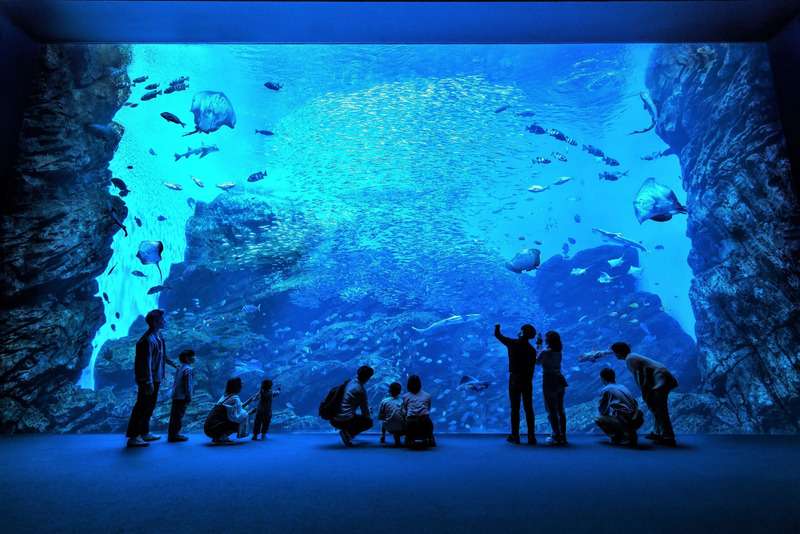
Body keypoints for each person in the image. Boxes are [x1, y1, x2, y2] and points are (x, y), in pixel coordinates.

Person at [125, 309, 179, 448]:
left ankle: (144, 432)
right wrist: (148, 382)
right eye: (162, 320)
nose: (164, 321)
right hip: (147, 379)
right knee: (141, 406)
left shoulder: (159, 336)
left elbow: (161, 355)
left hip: (156, 378)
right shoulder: (146, 341)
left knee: (150, 406)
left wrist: (173, 363)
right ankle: (133, 436)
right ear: (155, 322)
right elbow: (146, 363)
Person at [610, 342, 678, 446]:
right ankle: (657, 432)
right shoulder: (631, 357)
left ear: (619, 352)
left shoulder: (630, 359)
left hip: (661, 380)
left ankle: (668, 437)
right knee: (655, 408)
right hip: (661, 378)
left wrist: (646, 395)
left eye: (615, 353)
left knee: (660, 410)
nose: (615, 355)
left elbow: (641, 379)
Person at [494, 323, 537, 444]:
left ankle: (515, 435)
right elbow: (532, 368)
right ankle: (531, 436)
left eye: (521, 330)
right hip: (527, 380)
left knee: (515, 408)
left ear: (522, 333)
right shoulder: (531, 350)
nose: (518, 331)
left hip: (515, 379)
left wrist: (497, 326)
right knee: (529, 408)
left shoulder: (513, 343)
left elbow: (497, 335)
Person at [594, 368, 643, 445]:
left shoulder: (607, 389)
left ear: (603, 378)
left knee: (597, 417)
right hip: (638, 419)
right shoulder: (622, 386)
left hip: (627, 419)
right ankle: (630, 432)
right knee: (616, 413)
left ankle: (620, 436)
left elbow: (603, 410)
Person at [537, 331, 568, 445]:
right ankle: (563, 436)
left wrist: (539, 346)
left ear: (548, 340)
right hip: (559, 380)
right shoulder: (559, 352)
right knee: (561, 410)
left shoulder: (546, 352)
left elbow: (537, 362)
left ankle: (555, 435)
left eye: (546, 338)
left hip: (549, 381)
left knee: (551, 409)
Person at [331, 365, 374, 446]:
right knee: (369, 422)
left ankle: (348, 433)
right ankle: (347, 433)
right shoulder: (361, 390)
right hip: (343, 421)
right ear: (368, 378)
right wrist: (369, 412)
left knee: (354, 416)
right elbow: (365, 414)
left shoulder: (350, 382)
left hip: (333, 419)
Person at [204, 377, 250, 445]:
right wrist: (249, 413)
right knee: (242, 418)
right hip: (214, 429)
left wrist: (250, 400)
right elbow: (237, 417)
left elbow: (238, 408)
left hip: (209, 428)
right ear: (238, 387)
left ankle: (217, 436)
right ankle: (222, 437)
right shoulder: (235, 398)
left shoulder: (225, 396)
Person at [167, 349, 196, 443]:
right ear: (187, 358)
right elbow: (188, 384)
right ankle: (175, 435)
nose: (195, 358)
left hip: (176, 395)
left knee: (174, 416)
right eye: (193, 356)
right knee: (179, 415)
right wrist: (189, 394)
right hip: (183, 396)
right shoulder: (189, 369)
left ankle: (172, 434)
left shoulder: (180, 368)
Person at [402, 375, 435, 449]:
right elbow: (428, 410)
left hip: (411, 423)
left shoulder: (405, 396)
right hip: (426, 422)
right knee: (427, 423)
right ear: (420, 384)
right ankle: (429, 439)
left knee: (407, 425)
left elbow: (406, 411)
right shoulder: (427, 395)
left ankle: (410, 441)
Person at [378, 382, 405, 447]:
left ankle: (383, 436)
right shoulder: (402, 402)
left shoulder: (384, 401)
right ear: (400, 392)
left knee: (384, 418)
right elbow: (404, 414)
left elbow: (380, 417)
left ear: (389, 391)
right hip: (400, 428)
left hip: (388, 427)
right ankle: (398, 435)